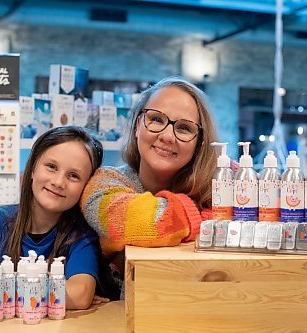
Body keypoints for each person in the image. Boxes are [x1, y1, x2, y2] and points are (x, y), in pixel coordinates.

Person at [81, 77, 218, 299]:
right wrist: (204, 215)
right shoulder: (104, 183)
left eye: (183, 128)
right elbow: (138, 222)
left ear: (199, 143)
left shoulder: (218, 187)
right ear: (137, 126)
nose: (166, 136)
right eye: (156, 119)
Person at [0, 126, 107, 309]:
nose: (58, 182)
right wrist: (50, 290)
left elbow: (79, 296)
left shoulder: (82, 236)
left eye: (73, 176)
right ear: (32, 168)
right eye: (52, 167)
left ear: (86, 186)